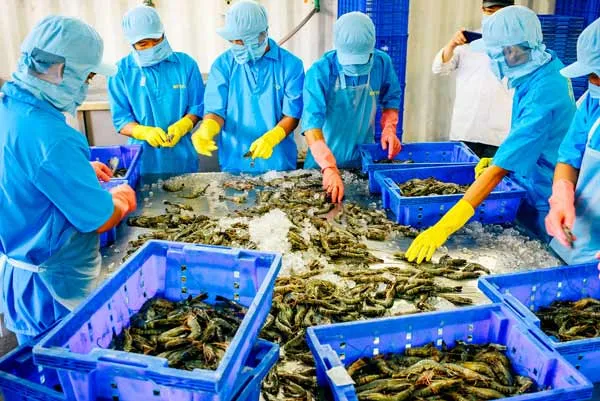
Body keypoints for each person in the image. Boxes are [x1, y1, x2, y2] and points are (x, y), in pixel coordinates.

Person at [0, 16, 137, 343]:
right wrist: (120, 201)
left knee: (34, 357)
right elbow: (100, 220)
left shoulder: (9, 110)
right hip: (54, 290)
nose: (87, 85)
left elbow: (22, 173)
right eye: (87, 76)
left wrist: (76, 171)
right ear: (60, 72)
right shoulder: (53, 138)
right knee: (62, 361)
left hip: (20, 277)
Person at [406, 6, 576, 263]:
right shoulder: (543, 65)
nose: (493, 62)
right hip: (531, 177)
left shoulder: (543, 92)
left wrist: (443, 227)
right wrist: (502, 156)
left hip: (546, 193)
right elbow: (528, 134)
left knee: (540, 256)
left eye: (495, 54)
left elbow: (499, 171)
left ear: (513, 51)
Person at [192, 0, 304, 174]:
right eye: (232, 41)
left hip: (278, 161)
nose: (235, 45)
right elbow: (216, 110)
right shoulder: (223, 65)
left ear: (261, 36)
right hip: (234, 161)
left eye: (239, 41)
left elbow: (292, 115)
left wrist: (272, 138)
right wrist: (208, 127)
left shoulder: (291, 65)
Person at [301, 11, 403, 203]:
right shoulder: (320, 71)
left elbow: (392, 98)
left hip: (361, 162)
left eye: (362, 59)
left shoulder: (382, 63)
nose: (355, 67)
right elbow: (311, 125)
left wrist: (389, 128)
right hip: (321, 167)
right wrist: (329, 167)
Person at [108, 5, 204, 175]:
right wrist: (143, 132)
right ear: (132, 44)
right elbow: (121, 120)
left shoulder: (186, 65)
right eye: (143, 44)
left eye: (157, 40)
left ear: (163, 33)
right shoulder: (120, 72)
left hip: (182, 158)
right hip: (142, 161)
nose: (152, 47)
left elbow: (197, 107)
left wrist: (184, 124)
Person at [545, 18, 600, 265]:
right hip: (574, 243)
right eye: (590, 74)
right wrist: (562, 193)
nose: (593, 82)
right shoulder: (592, 102)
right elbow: (569, 157)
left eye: (597, 74)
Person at [432, 0, 513, 160]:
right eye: (489, 11)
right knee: (460, 174)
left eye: (499, 13)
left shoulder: (519, 45)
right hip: (466, 130)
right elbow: (439, 68)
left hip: (500, 134)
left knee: (493, 175)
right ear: (482, 10)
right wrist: (452, 44)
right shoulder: (467, 42)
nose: (493, 17)